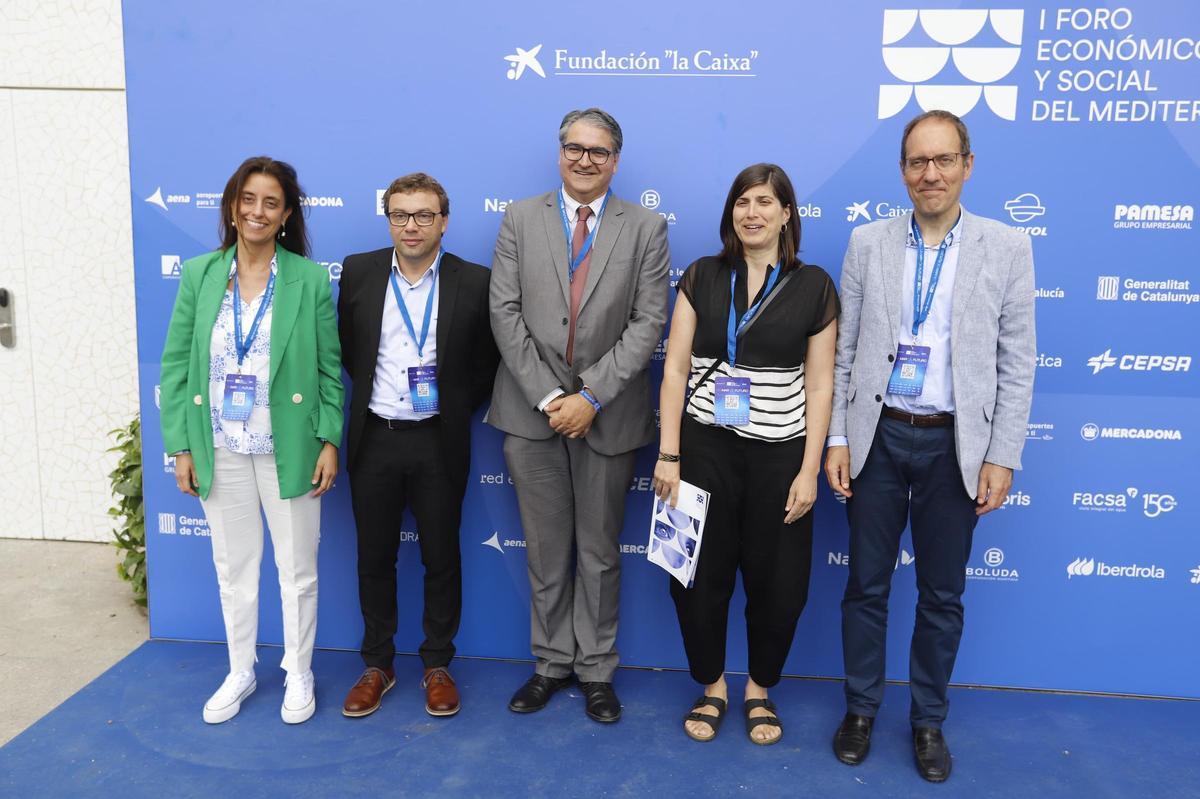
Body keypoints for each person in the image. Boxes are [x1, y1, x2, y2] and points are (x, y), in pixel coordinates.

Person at [825, 110, 1036, 782]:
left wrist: (1002, 452)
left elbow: (1017, 360)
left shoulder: (1008, 247)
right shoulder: (867, 243)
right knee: (865, 586)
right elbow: (846, 348)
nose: (931, 173)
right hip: (879, 437)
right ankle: (860, 709)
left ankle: (927, 721)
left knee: (942, 594)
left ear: (968, 165)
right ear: (903, 170)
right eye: (918, 161)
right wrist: (836, 435)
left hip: (956, 445)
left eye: (944, 160)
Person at [488, 107, 670, 723]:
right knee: (545, 551)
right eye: (574, 148)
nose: (584, 159)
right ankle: (549, 664)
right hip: (528, 411)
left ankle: (595, 670)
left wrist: (590, 396)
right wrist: (549, 398)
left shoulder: (645, 227)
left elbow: (649, 322)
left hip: (609, 415)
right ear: (559, 152)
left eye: (598, 151)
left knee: (598, 552)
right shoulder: (518, 218)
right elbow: (504, 314)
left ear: (615, 160)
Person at [653, 164, 838, 745]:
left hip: (781, 456)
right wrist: (669, 454)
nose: (751, 212)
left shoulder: (813, 286)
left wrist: (809, 470)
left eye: (765, 201)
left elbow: (822, 383)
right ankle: (712, 686)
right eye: (741, 201)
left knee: (779, 584)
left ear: (787, 214)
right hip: (703, 450)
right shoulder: (704, 276)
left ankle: (759, 689)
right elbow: (677, 368)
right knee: (694, 578)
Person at [160, 156, 344, 725]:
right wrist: (182, 447)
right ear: (232, 207)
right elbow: (176, 368)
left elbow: (330, 372)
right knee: (234, 568)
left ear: (286, 214)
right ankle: (240, 670)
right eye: (248, 199)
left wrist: (329, 439)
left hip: (288, 449)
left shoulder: (308, 279)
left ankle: (298, 672)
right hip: (220, 446)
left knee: (297, 570)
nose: (257, 211)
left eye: (271, 202)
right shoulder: (199, 274)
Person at [337, 173, 498, 719]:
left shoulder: (474, 281)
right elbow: (348, 350)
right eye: (401, 214)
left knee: (440, 557)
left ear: (444, 222)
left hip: (437, 440)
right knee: (374, 558)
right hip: (374, 438)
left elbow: (487, 363)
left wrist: (450, 404)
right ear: (388, 219)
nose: (411, 225)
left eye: (423, 215)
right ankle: (377, 664)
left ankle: (436, 664)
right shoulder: (359, 271)